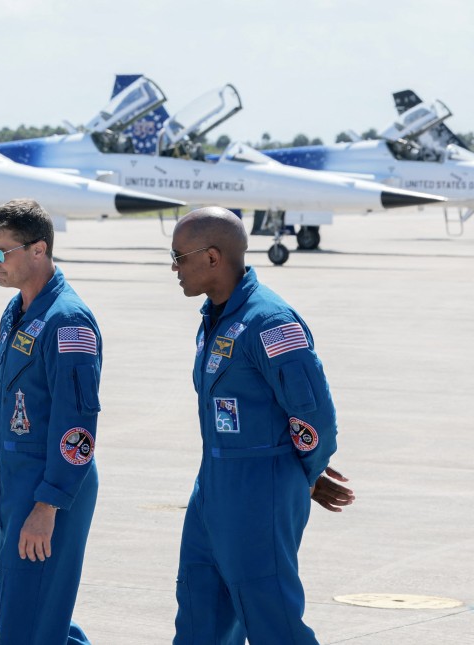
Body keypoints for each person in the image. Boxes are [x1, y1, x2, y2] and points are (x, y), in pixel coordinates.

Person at [169, 206, 353, 644]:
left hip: (259, 491)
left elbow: (315, 418)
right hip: (212, 487)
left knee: (271, 620)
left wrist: (300, 475)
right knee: (199, 615)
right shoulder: (216, 316)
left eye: (179, 256)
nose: (173, 267)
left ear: (213, 257)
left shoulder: (269, 322)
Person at [0, 199, 102, 645]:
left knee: (28, 620)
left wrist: (48, 505)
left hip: (51, 483)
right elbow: (13, 395)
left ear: (39, 249)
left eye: (1, 252)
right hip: (17, 480)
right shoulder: (17, 310)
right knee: (27, 604)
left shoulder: (68, 322)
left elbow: (77, 426)